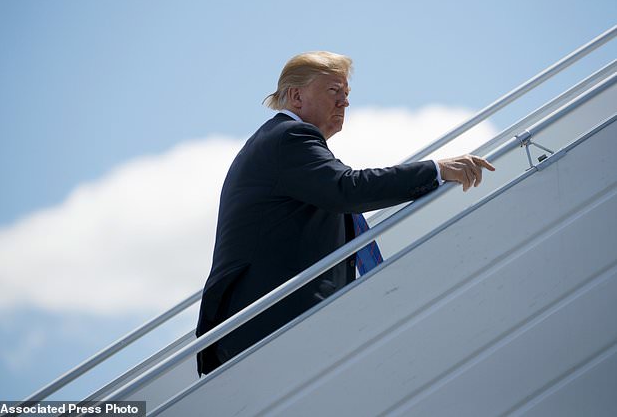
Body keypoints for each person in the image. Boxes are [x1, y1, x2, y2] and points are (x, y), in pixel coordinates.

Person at [195, 51, 495, 375]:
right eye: (333, 92)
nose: (345, 104)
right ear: (296, 96)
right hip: (271, 326)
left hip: (268, 327)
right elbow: (347, 189)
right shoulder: (289, 138)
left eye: (347, 94)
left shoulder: (280, 141)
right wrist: (436, 170)